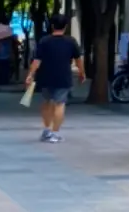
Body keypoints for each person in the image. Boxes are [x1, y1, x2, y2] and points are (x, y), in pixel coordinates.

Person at [25, 14, 85, 143]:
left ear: (52, 26)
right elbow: (78, 60)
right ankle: (54, 133)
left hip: (45, 76)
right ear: (66, 27)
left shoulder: (44, 41)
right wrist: (82, 73)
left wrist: (30, 75)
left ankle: (47, 130)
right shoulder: (71, 41)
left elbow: (37, 60)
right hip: (63, 77)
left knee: (47, 102)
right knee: (60, 104)